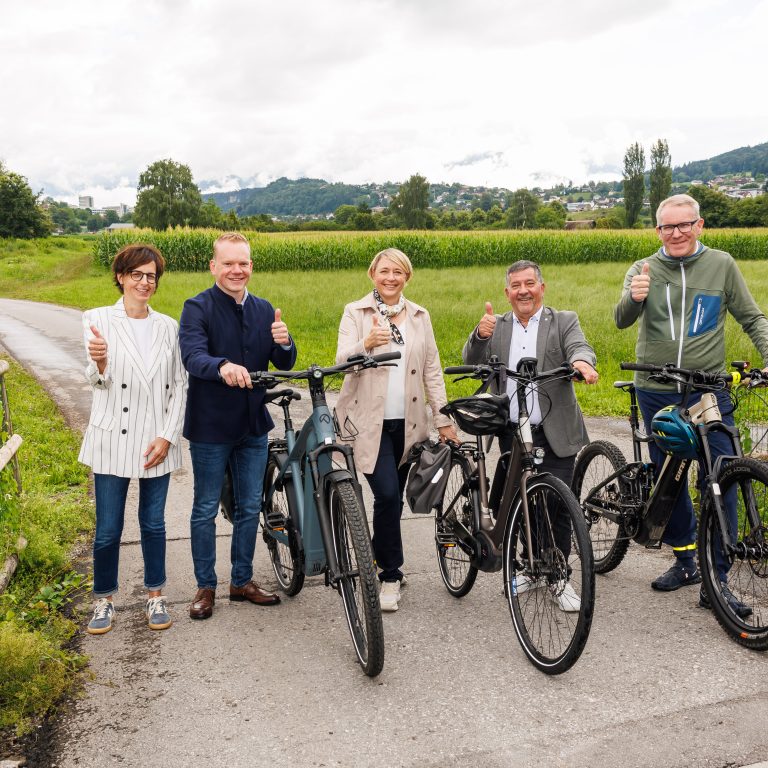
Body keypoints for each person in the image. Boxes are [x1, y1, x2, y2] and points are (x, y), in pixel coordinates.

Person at [615, 193, 768, 609]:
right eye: (668, 226)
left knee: (722, 473)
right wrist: (635, 296)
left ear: (699, 225)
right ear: (658, 230)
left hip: (707, 389)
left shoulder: (721, 265)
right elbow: (621, 318)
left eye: (685, 225)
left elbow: (752, 318)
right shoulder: (643, 267)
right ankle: (684, 559)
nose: (676, 233)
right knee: (671, 474)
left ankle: (715, 579)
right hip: (656, 388)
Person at [462, 259, 598, 612]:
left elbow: (579, 348)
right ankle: (529, 567)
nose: (523, 290)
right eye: (516, 286)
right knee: (523, 504)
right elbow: (471, 359)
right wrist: (480, 336)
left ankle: (558, 575)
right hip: (512, 431)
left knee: (557, 505)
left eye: (529, 284)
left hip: (555, 430)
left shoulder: (563, 320)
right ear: (507, 292)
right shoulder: (499, 325)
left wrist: (583, 364)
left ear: (542, 287)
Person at [179, 232, 297, 620]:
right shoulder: (197, 307)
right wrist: (222, 366)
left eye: (243, 263)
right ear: (213, 266)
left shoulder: (265, 310)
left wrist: (284, 341)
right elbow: (193, 356)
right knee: (205, 508)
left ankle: (241, 580)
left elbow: (283, 362)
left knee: (250, 505)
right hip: (211, 427)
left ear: (251, 266)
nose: (236, 270)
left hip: (253, 425)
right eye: (228, 263)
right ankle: (205, 586)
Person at [335, 248, 459, 612]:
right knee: (387, 496)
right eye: (384, 271)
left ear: (407, 277)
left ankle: (376, 556)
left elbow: (432, 369)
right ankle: (390, 574)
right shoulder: (355, 312)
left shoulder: (420, 316)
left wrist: (443, 418)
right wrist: (365, 345)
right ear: (372, 273)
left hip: (410, 426)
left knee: (392, 501)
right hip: (367, 425)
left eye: (398, 273)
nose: (391, 278)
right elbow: (340, 363)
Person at [79, 244, 187, 635]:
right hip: (112, 440)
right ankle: (103, 600)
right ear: (121, 277)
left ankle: (155, 594)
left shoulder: (168, 326)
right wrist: (101, 363)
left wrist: (168, 436)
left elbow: (179, 385)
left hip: (155, 439)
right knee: (108, 528)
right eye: (137, 274)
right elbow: (95, 379)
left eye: (151, 276)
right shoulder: (96, 320)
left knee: (153, 523)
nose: (145, 282)